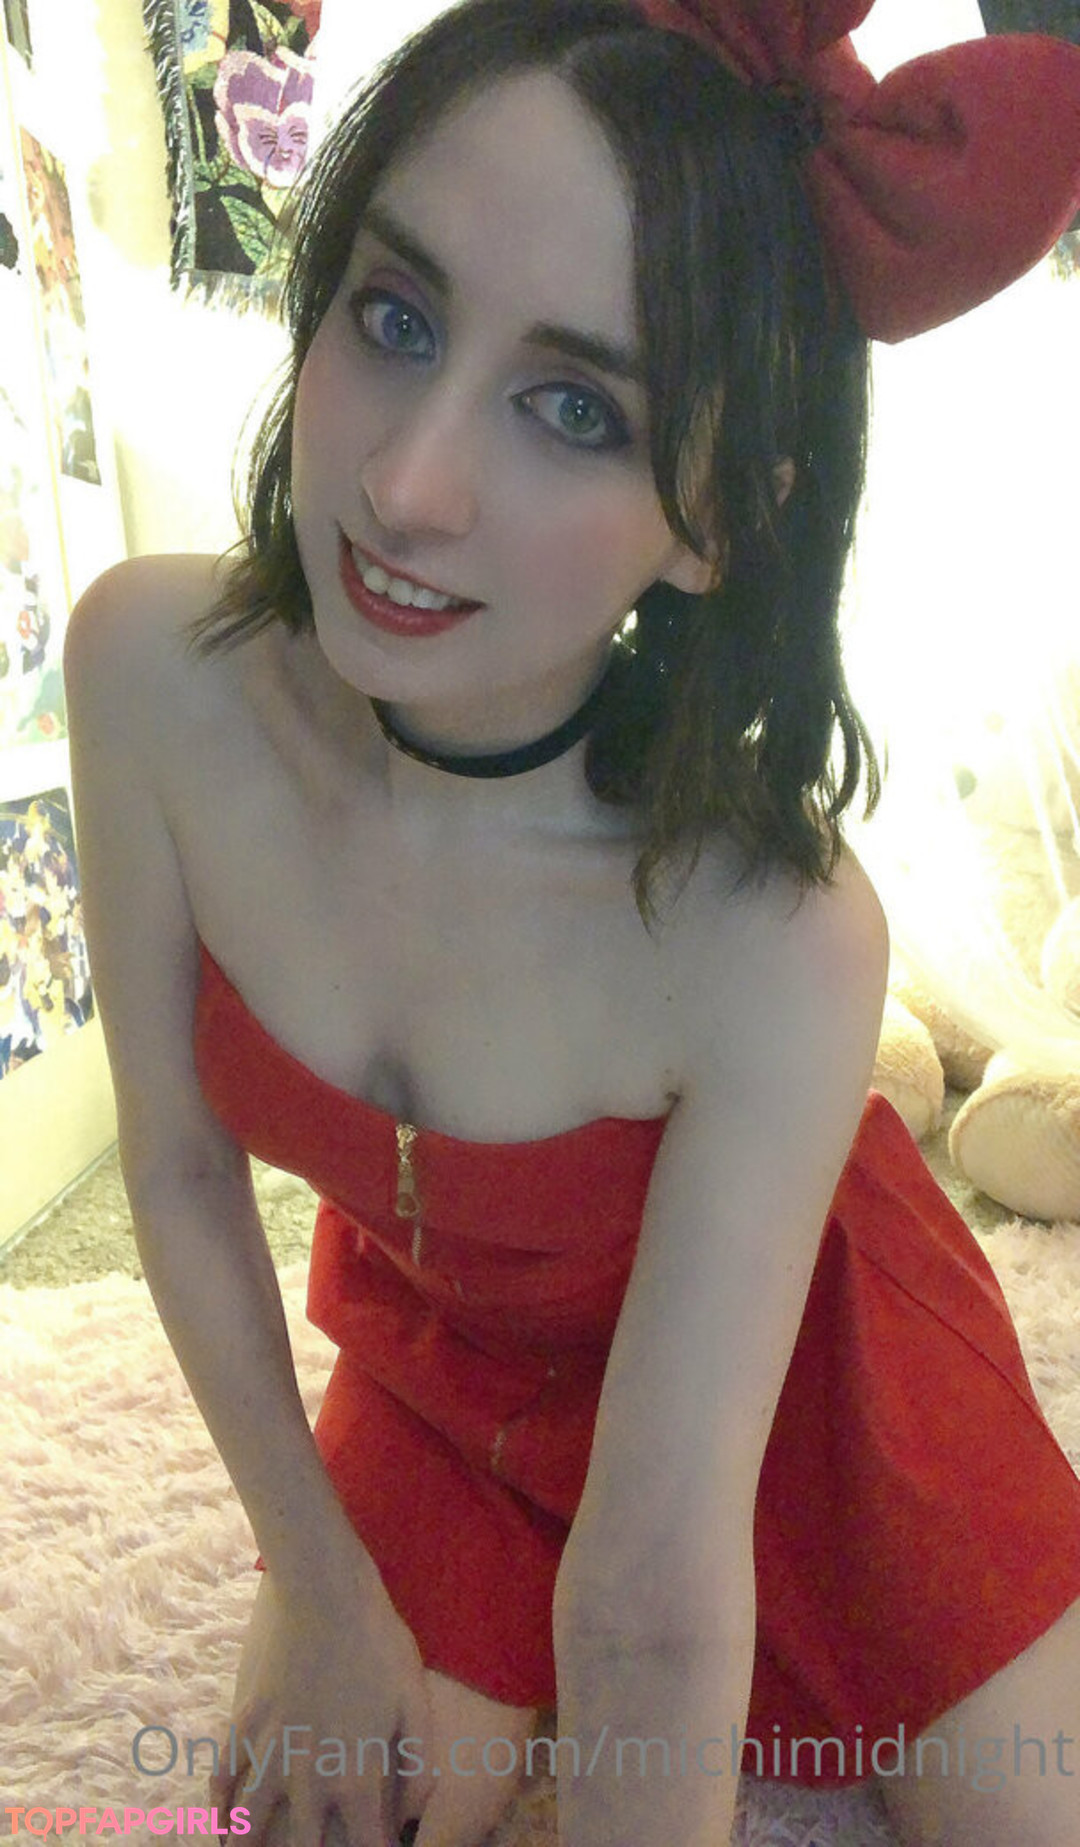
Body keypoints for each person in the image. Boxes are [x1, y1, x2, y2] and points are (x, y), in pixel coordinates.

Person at [63, 3, 1080, 1845]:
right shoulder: (151, 671)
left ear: (721, 517)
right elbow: (181, 1171)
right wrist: (323, 1583)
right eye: (395, 316)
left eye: (574, 409)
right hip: (453, 1371)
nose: (405, 485)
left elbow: (654, 1595)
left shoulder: (772, 936)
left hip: (828, 1398)